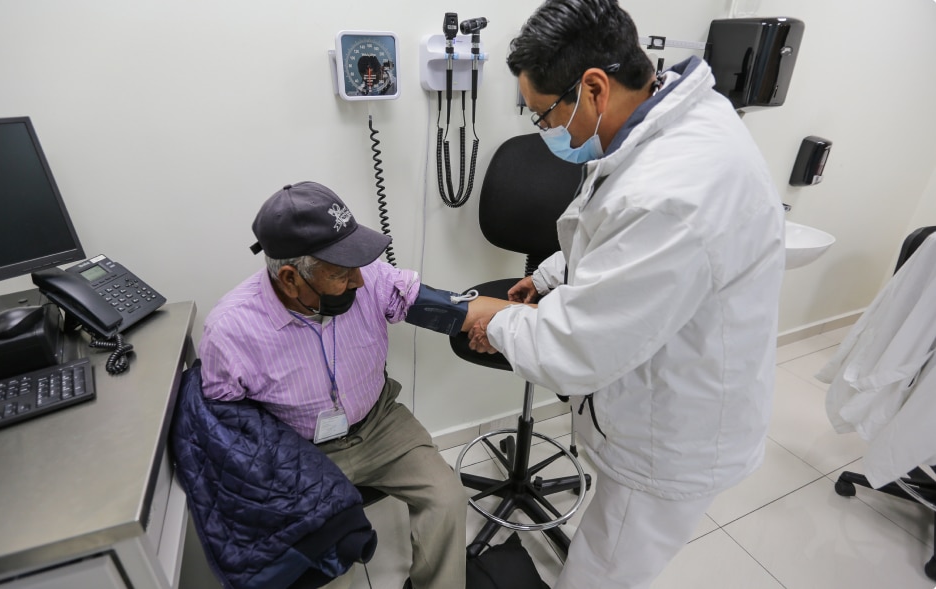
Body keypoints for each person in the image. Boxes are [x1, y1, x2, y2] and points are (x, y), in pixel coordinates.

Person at [467, 1, 785, 587]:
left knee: (603, 569)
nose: (545, 131)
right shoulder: (672, 124)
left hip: (672, 432)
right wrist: (547, 278)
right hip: (657, 383)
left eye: (543, 114)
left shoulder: (675, 191)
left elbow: (579, 345)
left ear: (593, 88)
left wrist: (495, 318)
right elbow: (610, 231)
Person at [198, 181, 507, 589]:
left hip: (379, 424)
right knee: (318, 553)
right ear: (290, 278)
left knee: (446, 497)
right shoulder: (230, 331)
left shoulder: (372, 279)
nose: (359, 282)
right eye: (341, 273)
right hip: (300, 452)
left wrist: (540, 318)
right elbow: (229, 428)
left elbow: (455, 310)